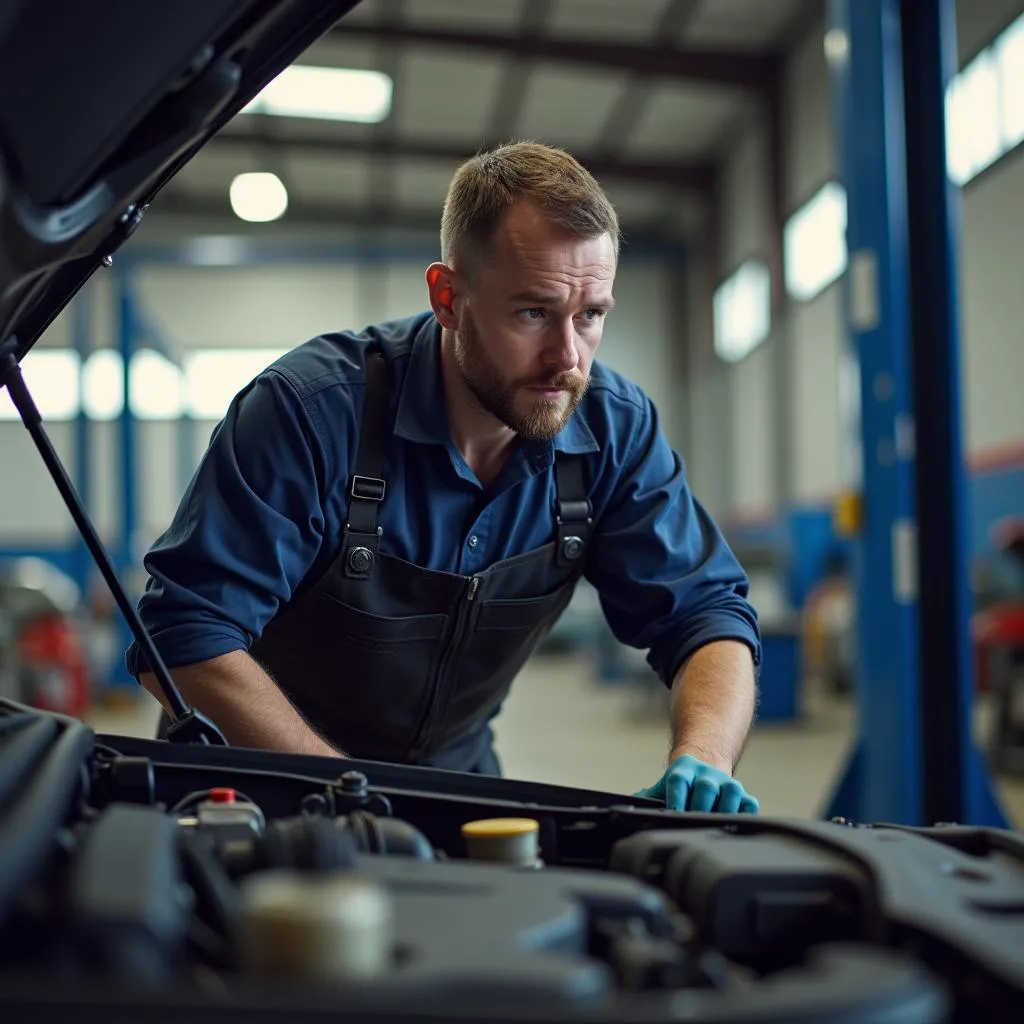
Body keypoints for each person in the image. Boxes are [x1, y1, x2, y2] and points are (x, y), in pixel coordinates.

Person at [128, 141, 762, 814]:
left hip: (452, 787)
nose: (567, 357)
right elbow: (186, 637)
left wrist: (705, 754)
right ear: (449, 297)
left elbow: (705, 611)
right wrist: (350, 798)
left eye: (591, 315)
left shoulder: (613, 430)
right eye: (533, 312)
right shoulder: (309, 412)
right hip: (257, 789)